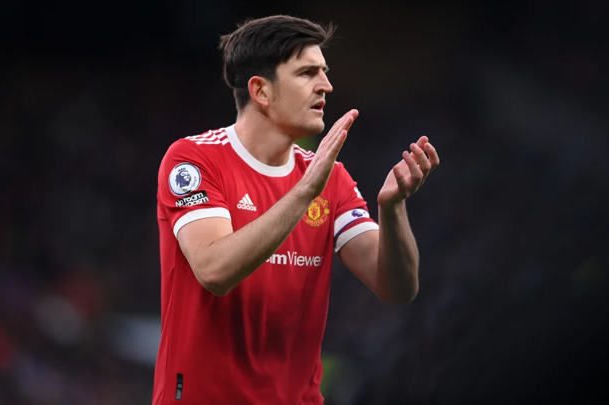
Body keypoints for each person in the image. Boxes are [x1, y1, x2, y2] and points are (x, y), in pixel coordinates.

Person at [153, 15, 439, 405]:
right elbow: (214, 270)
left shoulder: (328, 178)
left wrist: (392, 209)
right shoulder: (194, 160)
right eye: (307, 73)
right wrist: (305, 192)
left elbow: (398, 288)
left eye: (324, 72)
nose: (326, 85)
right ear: (261, 91)